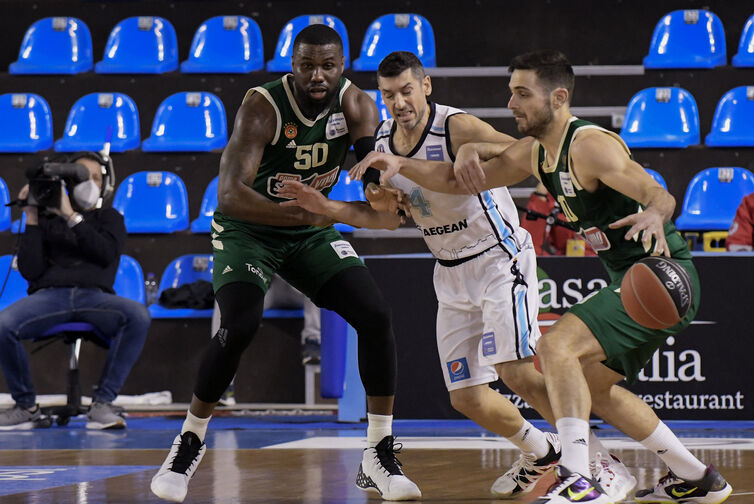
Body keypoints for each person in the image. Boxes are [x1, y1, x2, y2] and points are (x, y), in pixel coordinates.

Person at [355, 50, 733, 504]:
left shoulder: (588, 144)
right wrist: (401, 165)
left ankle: (580, 477)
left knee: (555, 348)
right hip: (633, 280)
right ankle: (697, 478)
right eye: (511, 92)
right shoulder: (537, 153)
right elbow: (460, 182)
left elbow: (655, 190)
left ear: (557, 97)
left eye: (521, 93)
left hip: (663, 275)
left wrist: (655, 212)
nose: (511, 103)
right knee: (592, 389)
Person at [281, 51, 636, 501]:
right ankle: (542, 452)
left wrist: (472, 148)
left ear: (425, 86)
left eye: (407, 91)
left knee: (517, 372)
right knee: (466, 396)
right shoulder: (383, 142)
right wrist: (326, 209)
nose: (399, 102)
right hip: (448, 270)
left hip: (498, 258)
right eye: (388, 94)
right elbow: (389, 220)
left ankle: (598, 466)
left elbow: (524, 151)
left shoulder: (455, 125)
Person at [150, 25, 420, 503]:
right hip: (248, 230)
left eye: (328, 66)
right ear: (292, 65)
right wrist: (299, 212)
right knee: (240, 323)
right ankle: (188, 441)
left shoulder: (356, 104)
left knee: (375, 314)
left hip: (309, 229)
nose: (318, 75)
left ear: (342, 65)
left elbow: (366, 170)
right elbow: (230, 196)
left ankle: (378, 450)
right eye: (307, 65)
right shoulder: (262, 105)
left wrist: (380, 191)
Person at [0, 151, 150, 431]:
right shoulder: (45, 219)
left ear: (105, 184)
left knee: (138, 315)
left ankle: (102, 404)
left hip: (95, 297)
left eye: (95, 177)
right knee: (3, 324)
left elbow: (105, 253)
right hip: (50, 297)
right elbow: (31, 270)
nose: (89, 183)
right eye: (81, 176)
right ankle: (26, 407)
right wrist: (32, 215)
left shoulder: (110, 218)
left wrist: (71, 216)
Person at [212, 274, 321, 406]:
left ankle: (313, 339)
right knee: (227, 294)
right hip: (270, 288)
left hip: (300, 291)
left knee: (319, 275)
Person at [522, 182, 595, 256]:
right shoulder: (554, 198)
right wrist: (540, 197)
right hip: (566, 263)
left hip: (602, 263)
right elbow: (531, 247)